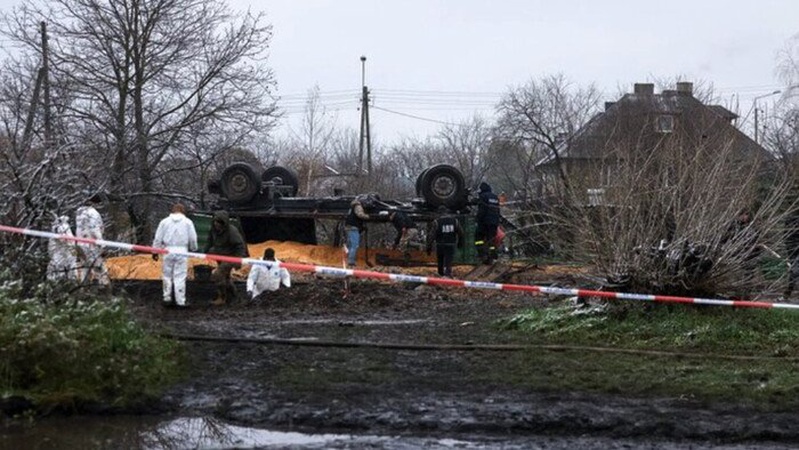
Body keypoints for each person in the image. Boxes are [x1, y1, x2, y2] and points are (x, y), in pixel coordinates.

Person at [152, 203, 198, 307]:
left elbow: (158, 238)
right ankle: (180, 301)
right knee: (180, 276)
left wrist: (155, 251)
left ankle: (167, 297)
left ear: (172, 210)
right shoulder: (188, 222)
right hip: (182, 251)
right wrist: (193, 248)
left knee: (167, 275)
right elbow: (193, 238)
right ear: (183, 211)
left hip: (167, 250)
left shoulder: (164, 222)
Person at [203, 211, 248, 305]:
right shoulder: (213, 230)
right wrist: (205, 252)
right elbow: (209, 241)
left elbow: (240, 246)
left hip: (231, 257)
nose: (216, 224)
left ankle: (222, 297)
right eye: (215, 222)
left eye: (219, 222)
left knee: (218, 275)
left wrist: (238, 260)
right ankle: (234, 297)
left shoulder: (232, 231)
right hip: (220, 255)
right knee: (225, 277)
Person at [75, 203, 110, 285]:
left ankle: (83, 287)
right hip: (92, 245)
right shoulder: (93, 213)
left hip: (81, 244)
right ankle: (102, 286)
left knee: (85, 268)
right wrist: (102, 244)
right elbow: (94, 229)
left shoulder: (79, 214)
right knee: (99, 267)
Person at [427, 205, 464, 278]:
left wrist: (429, 246)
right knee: (449, 260)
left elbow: (431, 235)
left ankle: (440, 274)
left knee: (440, 259)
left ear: (439, 213)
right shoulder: (455, 221)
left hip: (440, 244)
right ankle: (448, 274)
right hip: (451, 244)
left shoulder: (437, 222)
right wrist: (460, 242)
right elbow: (461, 233)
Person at [474, 182, 501, 265]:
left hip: (485, 222)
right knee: (491, 239)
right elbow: (498, 210)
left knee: (478, 238)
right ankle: (493, 256)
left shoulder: (483, 196)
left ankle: (483, 255)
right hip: (494, 222)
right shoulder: (495, 197)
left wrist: (477, 219)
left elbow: (482, 210)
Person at [47, 215, 79, 281]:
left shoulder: (61, 227)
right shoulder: (60, 227)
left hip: (63, 253)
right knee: (63, 269)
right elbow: (67, 240)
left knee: (62, 269)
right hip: (62, 253)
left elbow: (67, 240)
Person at [345, 196, 371, 268]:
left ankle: (348, 261)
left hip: (349, 227)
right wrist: (368, 216)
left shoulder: (352, 207)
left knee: (350, 246)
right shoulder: (358, 206)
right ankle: (351, 262)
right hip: (354, 227)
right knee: (354, 245)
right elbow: (360, 215)